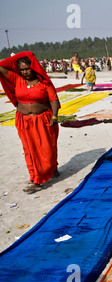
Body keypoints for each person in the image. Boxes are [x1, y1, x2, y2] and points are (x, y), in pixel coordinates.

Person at [0, 51, 60, 194]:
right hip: (23, 121)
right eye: (22, 70)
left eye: (27, 68)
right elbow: (1, 66)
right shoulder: (17, 79)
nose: (25, 72)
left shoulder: (44, 83)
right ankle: (36, 179)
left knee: (47, 149)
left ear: (33, 67)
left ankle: (52, 168)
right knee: (30, 150)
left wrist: (54, 117)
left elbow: (54, 101)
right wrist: (23, 54)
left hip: (43, 120)